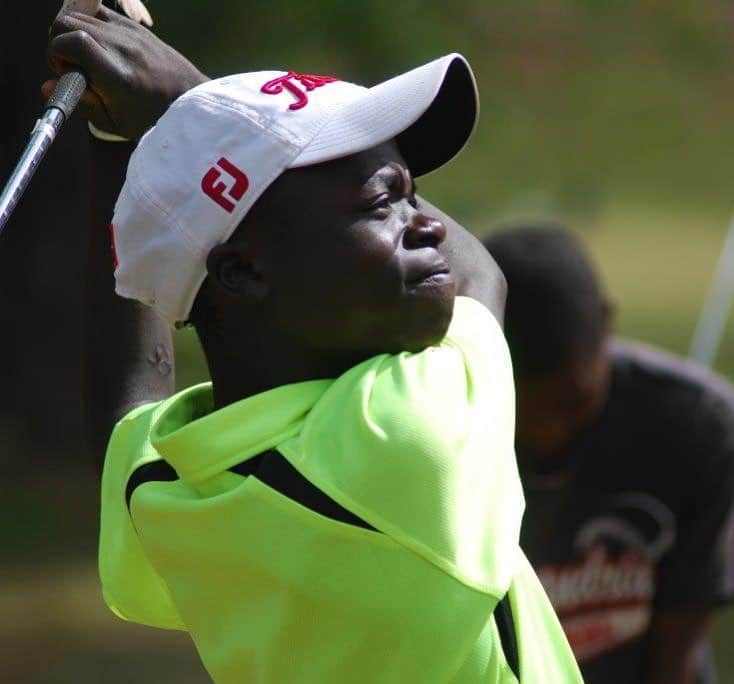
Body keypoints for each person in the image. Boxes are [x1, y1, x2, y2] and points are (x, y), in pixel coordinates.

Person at [45, 7, 582, 683]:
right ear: (244, 270)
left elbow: (126, 413)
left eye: (413, 195)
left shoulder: (183, 488)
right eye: (382, 201)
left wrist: (120, 133)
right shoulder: (403, 438)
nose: (430, 227)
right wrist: (184, 103)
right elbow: (480, 277)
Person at [484, 225, 734, 684]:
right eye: (522, 411)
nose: (547, 435)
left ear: (607, 324)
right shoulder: (448, 433)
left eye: (572, 406)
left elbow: (677, 646)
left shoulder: (699, 426)